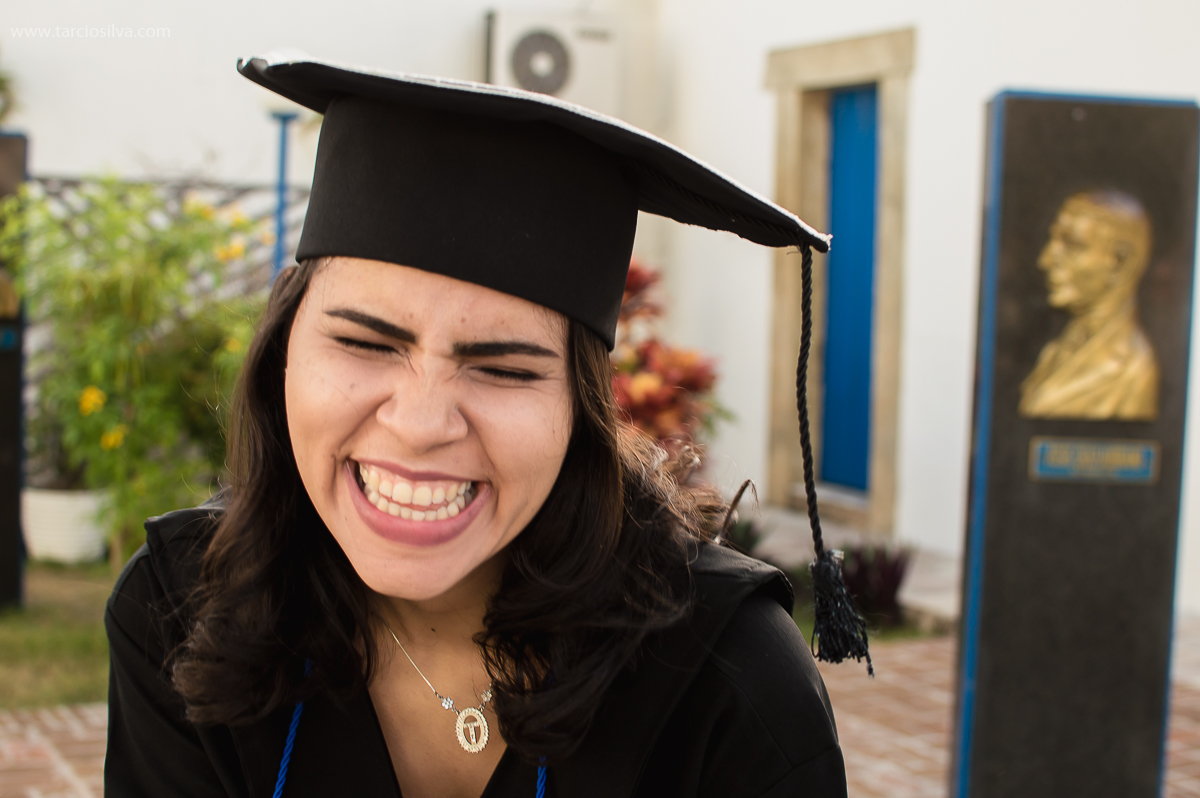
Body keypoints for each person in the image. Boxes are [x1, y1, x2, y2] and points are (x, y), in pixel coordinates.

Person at [104, 52, 861, 798]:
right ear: (284, 350)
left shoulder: (727, 689)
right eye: (365, 343)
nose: (420, 424)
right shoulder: (183, 614)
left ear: (581, 403)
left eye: (503, 368)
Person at [1019, 190, 1159, 420]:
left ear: (1119, 262)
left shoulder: (1134, 370)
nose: (1045, 260)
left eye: (1072, 245)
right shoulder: (1058, 347)